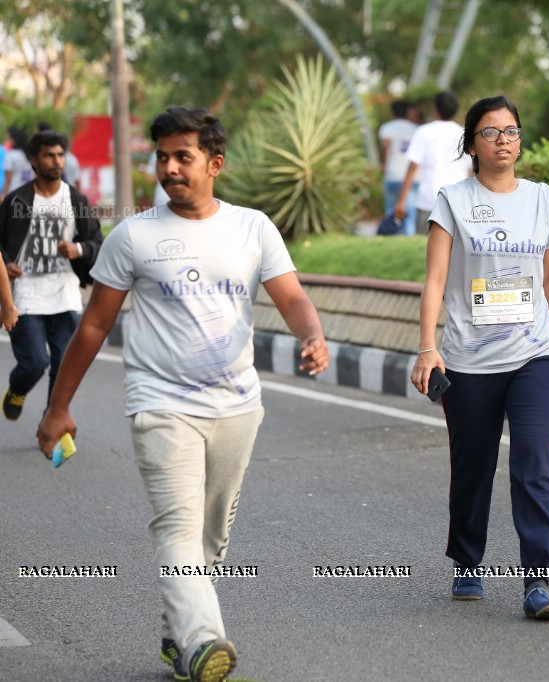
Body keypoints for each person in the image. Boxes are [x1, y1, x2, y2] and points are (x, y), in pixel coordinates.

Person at [36, 106, 329, 682]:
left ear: (214, 164)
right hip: (160, 404)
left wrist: (313, 335)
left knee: (210, 535)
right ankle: (201, 642)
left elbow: (291, 297)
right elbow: (93, 324)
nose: (169, 168)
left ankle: (176, 631)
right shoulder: (133, 236)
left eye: (183, 157)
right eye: (162, 157)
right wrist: (59, 404)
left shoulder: (252, 227)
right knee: (176, 524)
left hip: (237, 405)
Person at [411, 95, 549, 620]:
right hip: (468, 358)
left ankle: (537, 581)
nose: (504, 140)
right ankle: (468, 561)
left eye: (511, 131)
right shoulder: (452, 200)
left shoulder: (543, 198)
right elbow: (435, 280)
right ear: (471, 144)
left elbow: (548, 280)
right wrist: (428, 347)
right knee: (474, 465)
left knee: (534, 464)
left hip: (536, 353)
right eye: (491, 132)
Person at [0, 130, 103, 422]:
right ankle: (17, 388)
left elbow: (97, 242)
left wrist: (78, 249)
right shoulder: (17, 201)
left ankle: (51, 419)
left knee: (63, 365)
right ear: (34, 160)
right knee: (34, 362)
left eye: (60, 155)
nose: (57, 161)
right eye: (49, 155)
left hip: (65, 292)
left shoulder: (75, 200)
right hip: (26, 296)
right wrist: (7, 263)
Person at [394, 91, 472, 235]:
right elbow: (469, 170)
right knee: (455, 251)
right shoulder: (463, 134)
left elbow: (412, 167)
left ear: (435, 108)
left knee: (426, 249)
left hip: (429, 200)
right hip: (458, 202)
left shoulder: (424, 132)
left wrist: (401, 200)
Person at [378, 100, 419, 235]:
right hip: (413, 176)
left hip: (393, 174)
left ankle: (390, 239)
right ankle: (409, 239)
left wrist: (384, 162)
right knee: (409, 211)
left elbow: (385, 145)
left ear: (392, 112)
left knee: (391, 210)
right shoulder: (416, 129)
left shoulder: (387, 128)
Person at [1, 127, 34, 202]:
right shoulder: (29, 156)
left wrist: (3, 195)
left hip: (14, 193)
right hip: (28, 193)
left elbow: (8, 179)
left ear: (14, 140)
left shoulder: (11, 155)